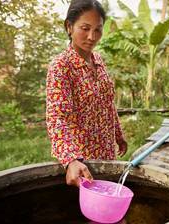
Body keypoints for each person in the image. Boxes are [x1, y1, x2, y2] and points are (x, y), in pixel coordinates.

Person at [46, 0, 127, 187]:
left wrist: (118, 135)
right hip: (83, 163)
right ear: (69, 26)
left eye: (98, 29)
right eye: (85, 28)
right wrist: (71, 160)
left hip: (106, 154)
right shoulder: (61, 66)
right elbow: (57, 117)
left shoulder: (98, 60)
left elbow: (107, 103)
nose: (92, 36)